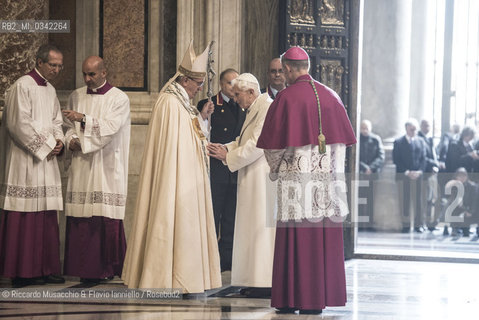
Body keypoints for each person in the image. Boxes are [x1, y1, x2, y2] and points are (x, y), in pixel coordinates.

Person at [257, 46, 356, 314]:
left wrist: (277, 168)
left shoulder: (287, 98)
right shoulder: (332, 96)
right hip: (326, 188)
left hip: (296, 184)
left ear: (288, 69)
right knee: (320, 239)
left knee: (296, 238)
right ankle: (316, 299)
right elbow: (342, 146)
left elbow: (273, 146)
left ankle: (290, 298)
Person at [121, 41, 221, 293]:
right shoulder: (169, 102)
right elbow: (170, 147)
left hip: (186, 175)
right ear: (185, 80)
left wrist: (201, 122)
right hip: (174, 177)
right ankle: (163, 278)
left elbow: (189, 134)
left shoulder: (182, 102)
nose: (199, 89)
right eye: (198, 84)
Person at [0, 44, 65, 286]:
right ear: (39, 62)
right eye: (53, 65)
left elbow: (57, 120)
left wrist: (59, 141)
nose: (57, 70)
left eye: (59, 66)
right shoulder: (22, 86)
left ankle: (45, 268)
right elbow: (18, 125)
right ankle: (23, 271)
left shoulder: (50, 90)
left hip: (47, 162)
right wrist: (47, 145)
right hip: (26, 160)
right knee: (25, 216)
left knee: (46, 215)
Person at [61, 56, 130, 283]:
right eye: (84, 74)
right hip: (81, 165)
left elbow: (110, 128)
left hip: (106, 165)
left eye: (92, 74)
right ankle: (83, 269)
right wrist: (71, 140)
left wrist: (83, 118)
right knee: (81, 217)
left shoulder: (119, 98)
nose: (87, 79)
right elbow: (66, 126)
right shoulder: (76, 95)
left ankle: (105, 269)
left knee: (104, 216)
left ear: (103, 72)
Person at [207, 73, 275, 298]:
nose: (235, 99)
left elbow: (257, 145)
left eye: (237, 95)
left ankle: (264, 282)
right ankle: (252, 279)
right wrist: (224, 148)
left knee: (259, 231)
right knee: (249, 229)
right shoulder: (253, 107)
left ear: (251, 92)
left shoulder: (266, 108)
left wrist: (228, 157)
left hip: (261, 176)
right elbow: (242, 140)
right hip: (250, 175)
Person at [197, 68, 246, 271]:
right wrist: (203, 114)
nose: (233, 88)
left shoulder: (243, 106)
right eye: (229, 83)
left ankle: (228, 258)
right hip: (216, 169)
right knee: (213, 214)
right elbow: (201, 130)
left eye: (236, 84)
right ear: (221, 85)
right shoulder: (209, 104)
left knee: (231, 217)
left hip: (235, 168)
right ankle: (210, 259)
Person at [392, 119, 427, 233]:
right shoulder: (398, 142)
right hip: (403, 176)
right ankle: (406, 225)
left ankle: (418, 225)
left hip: (418, 176)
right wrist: (407, 172)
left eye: (415, 129)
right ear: (406, 128)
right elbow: (396, 159)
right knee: (404, 201)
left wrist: (419, 171)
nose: (414, 131)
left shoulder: (421, 141)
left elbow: (424, 159)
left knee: (419, 201)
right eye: (412, 129)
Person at [358, 119, 384, 230]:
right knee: (359, 199)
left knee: (370, 200)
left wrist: (371, 168)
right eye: (362, 128)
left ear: (370, 128)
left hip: (373, 174)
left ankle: (369, 224)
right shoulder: (357, 139)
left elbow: (381, 156)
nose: (364, 130)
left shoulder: (376, 139)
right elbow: (355, 156)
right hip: (360, 173)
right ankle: (358, 224)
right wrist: (364, 168)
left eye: (366, 128)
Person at [417, 119, 441, 231]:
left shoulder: (430, 139)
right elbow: (422, 157)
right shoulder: (418, 138)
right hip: (425, 173)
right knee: (424, 199)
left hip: (432, 173)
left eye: (429, 126)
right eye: (425, 125)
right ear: (421, 126)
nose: (427, 128)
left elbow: (433, 154)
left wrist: (436, 164)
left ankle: (431, 223)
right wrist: (434, 164)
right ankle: (422, 223)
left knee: (433, 199)